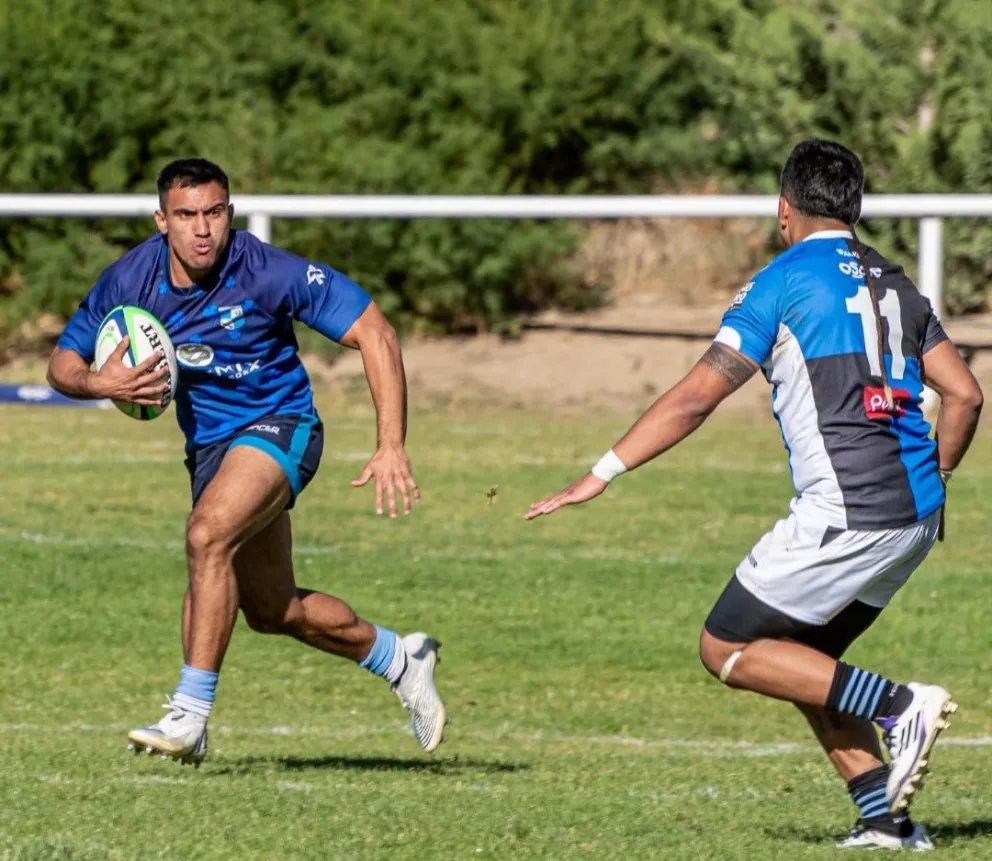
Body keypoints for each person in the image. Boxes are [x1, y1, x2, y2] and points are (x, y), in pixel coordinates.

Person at [525, 139, 983, 851]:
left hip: (850, 511)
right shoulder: (899, 284)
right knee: (802, 659)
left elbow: (695, 398)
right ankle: (884, 822)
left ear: (784, 210)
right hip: (914, 515)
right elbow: (964, 394)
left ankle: (901, 706)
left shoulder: (782, 280)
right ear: (854, 208)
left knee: (727, 645)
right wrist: (941, 481)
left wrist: (603, 470)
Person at [47, 158, 446, 766]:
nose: (202, 229)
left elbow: (376, 333)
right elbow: (62, 364)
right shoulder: (130, 279)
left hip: (283, 425)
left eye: (214, 213)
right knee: (271, 608)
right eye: (186, 216)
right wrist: (103, 385)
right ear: (162, 221)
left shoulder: (266, 271)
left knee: (207, 536)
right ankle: (399, 657)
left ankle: (190, 715)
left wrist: (391, 444)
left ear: (229, 214)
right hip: (212, 448)